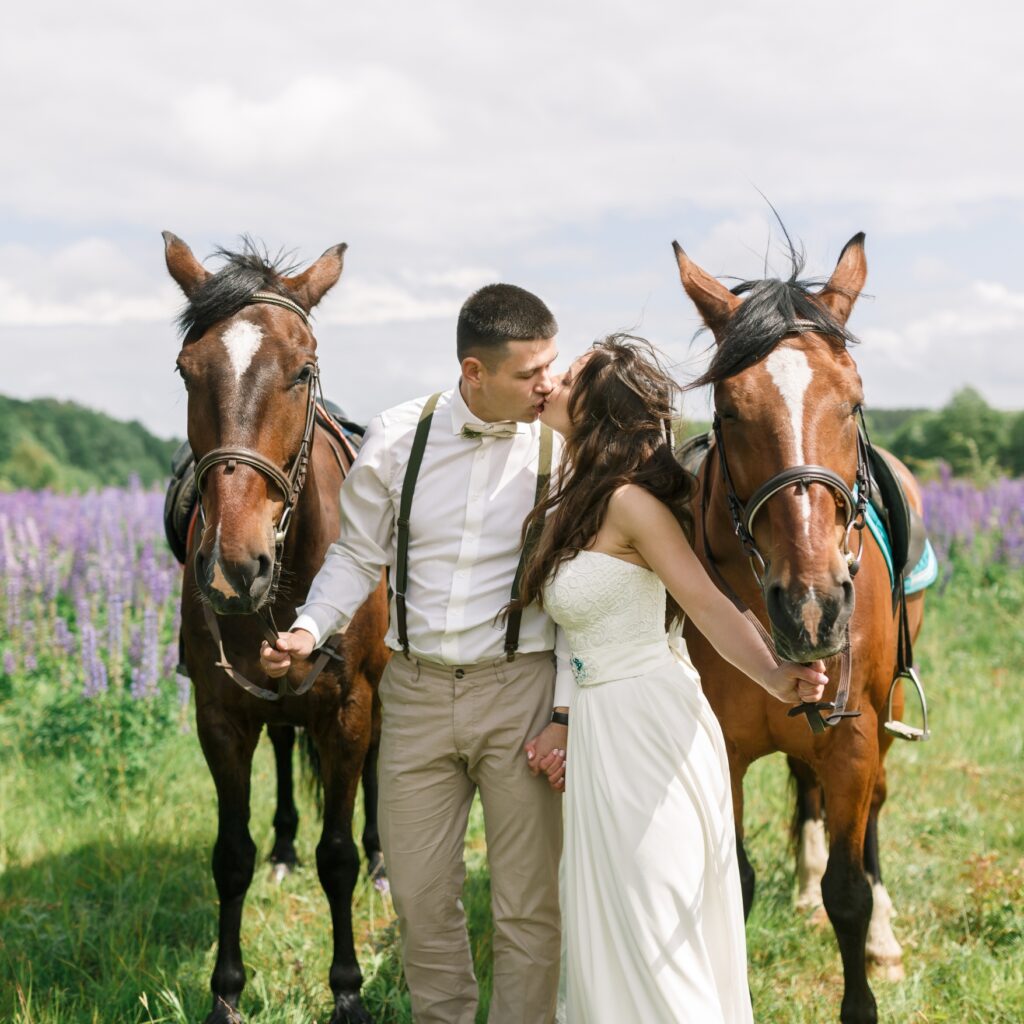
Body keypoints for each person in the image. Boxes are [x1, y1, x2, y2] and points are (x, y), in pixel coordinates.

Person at [259, 283, 569, 1024]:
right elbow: (355, 557)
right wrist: (307, 629)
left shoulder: (565, 446)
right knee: (424, 903)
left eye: (551, 367)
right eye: (531, 374)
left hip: (520, 693)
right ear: (474, 372)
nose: (547, 385)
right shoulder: (399, 437)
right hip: (418, 697)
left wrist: (563, 711)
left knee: (527, 908)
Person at [517, 335, 828, 1024]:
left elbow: (710, 604)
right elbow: (574, 633)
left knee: (656, 922)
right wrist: (566, 719)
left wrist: (777, 676)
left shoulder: (632, 504)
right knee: (610, 922)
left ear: (595, 408)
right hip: (601, 728)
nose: (550, 384)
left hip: (650, 727)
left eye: (565, 377)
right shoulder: (577, 495)